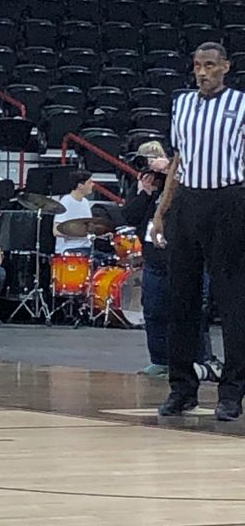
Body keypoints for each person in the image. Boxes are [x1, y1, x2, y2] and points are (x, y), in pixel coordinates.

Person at [153, 42, 245, 421]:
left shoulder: (240, 105)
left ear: (225, 67)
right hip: (187, 202)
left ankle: (232, 392)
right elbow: (177, 161)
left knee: (232, 301)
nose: (203, 72)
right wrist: (161, 211)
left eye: (210, 65)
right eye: (197, 66)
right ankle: (182, 387)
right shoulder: (182, 104)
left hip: (229, 200)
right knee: (181, 299)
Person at [124, 141, 218, 379]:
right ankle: (159, 360)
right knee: (153, 311)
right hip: (154, 261)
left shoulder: (183, 182)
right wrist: (144, 194)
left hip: (184, 259)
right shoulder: (149, 189)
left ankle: (200, 361)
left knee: (191, 311)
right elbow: (130, 217)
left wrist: (171, 173)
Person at [53, 169, 95, 253]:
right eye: (89, 182)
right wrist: (79, 234)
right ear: (80, 185)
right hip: (70, 249)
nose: (93, 185)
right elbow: (56, 231)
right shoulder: (65, 202)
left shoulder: (85, 202)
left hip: (86, 247)